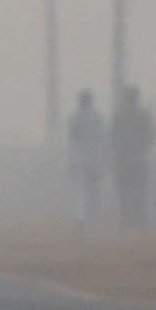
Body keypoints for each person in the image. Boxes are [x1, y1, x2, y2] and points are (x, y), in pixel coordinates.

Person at [110, 84, 156, 230]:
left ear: (125, 98)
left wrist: (120, 148)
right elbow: (151, 136)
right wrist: (141, 146)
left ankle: (126, 222)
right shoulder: (143, 116)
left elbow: (112, 138)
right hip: (139, 159)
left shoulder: (119, 115)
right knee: (140, 192)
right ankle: (140, 222)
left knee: (123, 193)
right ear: (137, 98)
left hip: (123, 160)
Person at [63, 89, 108, 227]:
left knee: (80, 189)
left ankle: (81, 217)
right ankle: (91, 218)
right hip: (94, 157)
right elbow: (102, 138)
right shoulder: (97, 117)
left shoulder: (74, 117)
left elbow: (71, 136)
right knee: (92, 188)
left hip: (78, 158)